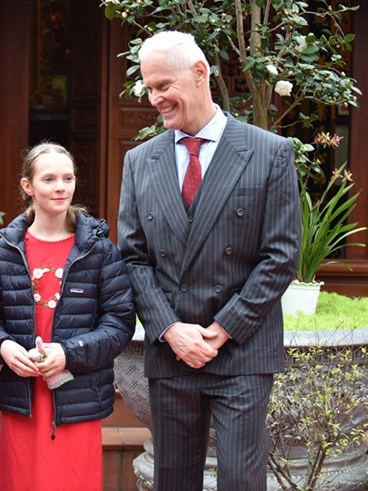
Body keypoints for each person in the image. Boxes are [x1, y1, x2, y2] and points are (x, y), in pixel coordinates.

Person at [117, 31, 302, 490]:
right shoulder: (140, 161)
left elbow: (281, 255)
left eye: (164, 85)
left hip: (241, 349)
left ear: (200, 73)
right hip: (172, 350)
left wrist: (221, 330)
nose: (155, 98)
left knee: (242, 480)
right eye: (150, 88)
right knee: (173, 481)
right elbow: (133, 259)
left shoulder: (268, 151)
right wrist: (171, 330)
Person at [0, 142, 135, 491]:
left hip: (77, 394)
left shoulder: (99, 250)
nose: (61, 187)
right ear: (27, 186)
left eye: (68, 178)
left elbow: (119, 322)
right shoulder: (5, 252)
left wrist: (69, 351)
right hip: (23, 395)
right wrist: (3, 347)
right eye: (49, 179)